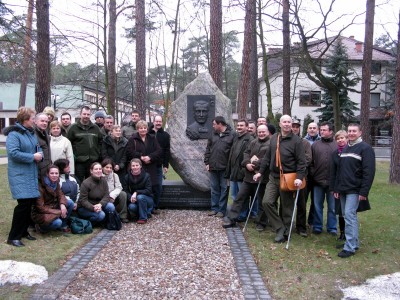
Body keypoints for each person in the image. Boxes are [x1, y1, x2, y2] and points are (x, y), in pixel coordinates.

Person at [254, 115, 306, 243]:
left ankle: (286, 231)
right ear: (280, 124)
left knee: (287, 207)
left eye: (289, 122)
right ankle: (279, 227)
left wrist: (299, 177)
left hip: (288, 177)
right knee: (266, 202)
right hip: (273, 177)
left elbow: (302, 162)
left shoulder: (296, 141)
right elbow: (267, 157)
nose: (287, 124)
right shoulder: (274, 138)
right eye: (285, 122)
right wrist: (260, 172)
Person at [330, 123, 375, 258]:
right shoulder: (345, 148)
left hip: (355, 189)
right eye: (349, 131)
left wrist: (364, 192)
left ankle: (349, 247)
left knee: (349, 216)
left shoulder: (365, 149)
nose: (351, 133)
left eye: (354, 131)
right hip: (343, 188)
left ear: (360, 132)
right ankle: (353, 242)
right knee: (347, 215)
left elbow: (369, 172)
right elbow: (340, 171)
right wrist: (336, 188)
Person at [4, 107, 42, 247]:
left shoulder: (31, 133)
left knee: (29, 203)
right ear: (25, 119)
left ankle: (24, 231)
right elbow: (13, 153)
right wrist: (32, 157)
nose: (34, 120)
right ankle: (13, 236)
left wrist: (39, 155)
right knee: (23, 205)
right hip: (20, 175)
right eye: (33, 118)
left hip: (30, 173)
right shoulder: (14, 135)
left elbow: (38, 148)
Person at [223, 125, 270, 229]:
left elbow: (268, 159)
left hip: (262, 178)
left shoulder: (271, 144)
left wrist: (256, 166)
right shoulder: (253, 142)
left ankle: (261, 223)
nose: (261, 134)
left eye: (263, 132)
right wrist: (246, 163)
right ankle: (232, 218)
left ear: (267, 132)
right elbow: (246, 153)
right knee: (239, 198)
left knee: (261, 201)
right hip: (248, 177)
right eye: (259, 132)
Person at [126, 120, 162, 213]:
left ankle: (152, 207)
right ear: (137, 129)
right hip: (138, 168)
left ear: (147, 128)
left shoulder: (152, 138)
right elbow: (129, 152)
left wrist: (150, 157)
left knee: (153, 187)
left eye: (145, 128)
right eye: (141, 128)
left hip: (150, 166)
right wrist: (140, 156)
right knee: (141, 187)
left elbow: (159, 151)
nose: (143, 130)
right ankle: (140, 208)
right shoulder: (132, 139)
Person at [204, 116, 236, 217]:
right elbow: (208, 149)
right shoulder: (213, 134)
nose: (213, 126)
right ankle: (214, 208)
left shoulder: (232, 135)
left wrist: (230, 167)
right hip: (213, 167)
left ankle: (222, 211)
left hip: (225, 169)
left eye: (214, 124)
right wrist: (207, 162)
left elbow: (233, 152)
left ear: (220, 124)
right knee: (214, 189)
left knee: (224, 189)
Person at [310, 122, 337, 235]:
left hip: (333, 182)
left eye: (324, 130)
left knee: (332, 207)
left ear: (330, 131)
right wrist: (313, 174)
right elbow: (310, 162)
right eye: (321, 130)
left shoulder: (336, 145)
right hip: (318, 181)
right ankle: (317, 226)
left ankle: (332, 228)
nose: (322, 132)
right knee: (317, 205)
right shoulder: (315, 145)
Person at [32, 165, 74, 233]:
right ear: (47, 174)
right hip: (41, 212)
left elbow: (61, 194)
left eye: (56, 173)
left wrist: (62, 204)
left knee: (70, 203)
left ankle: (63, 226)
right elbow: (40, 208)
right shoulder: (41, 187)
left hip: (53, 206)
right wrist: (59, 212)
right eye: (52, 173)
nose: (54, 175)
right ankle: (41, 228)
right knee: (57, 222)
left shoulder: (56, 183)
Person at [67, 106, 103, 183]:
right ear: (80, 114)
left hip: (93, 161)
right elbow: (68, 144)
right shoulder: (73, 128)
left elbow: (100, 142)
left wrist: (98, 152)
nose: (86, 116)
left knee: (92, 183)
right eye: (84, 114)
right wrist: (74, 156)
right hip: (79, 162)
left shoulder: (95, 128)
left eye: (88, 114)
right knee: (79, 182)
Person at [291, 118, 312, 237]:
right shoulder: (284, 141)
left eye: (296, 127)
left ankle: (301, 227)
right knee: (286, 202)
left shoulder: (305, 143)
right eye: (293, 126)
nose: (294, 128)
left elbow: (308, 159)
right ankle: (286, 224)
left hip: (301, 175)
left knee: (301, 203)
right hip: (287, 176)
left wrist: (296, 164)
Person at [226, 119, 253, 204]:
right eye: (238, 125)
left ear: (247, 127)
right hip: (234, 173)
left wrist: (243, 170)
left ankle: (242, 216)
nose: (239, 127)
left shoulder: (250, 140)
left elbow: (249, 156)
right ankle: (236, 214)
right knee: (234, 196)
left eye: (241, 125)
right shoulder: (236, 138)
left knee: (242, 196)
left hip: (242, 173)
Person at [149, 115, 171, 213]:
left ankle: (154, 206)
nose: (158, 123)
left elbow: (167, 151)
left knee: (158, 186)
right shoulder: (148, 133)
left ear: (162, 123)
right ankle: (148, 207)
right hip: (148, 165)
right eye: (156, 121)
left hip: (158, 165)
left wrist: (165, 165)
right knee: (148, 186)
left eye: (160, 121)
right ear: (153, 122)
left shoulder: (165, 135)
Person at [123, 158, 154, 224]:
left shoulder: (146, 176)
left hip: (147, 199)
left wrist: (136, 192)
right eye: (133, 166)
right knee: (131, 207)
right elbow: (125, 190)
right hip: (135, 199)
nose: (135, 167)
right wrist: (130, 197)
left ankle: (143, 218)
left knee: (140, 197)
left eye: (137, 165)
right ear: (130, 167)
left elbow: (148, 190)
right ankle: (146, 212)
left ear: (140, 166)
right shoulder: (127, 177)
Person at [330, 130, 348, 242]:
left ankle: (349, 233)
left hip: (349, 185)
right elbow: (333, 172)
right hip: (338, 186)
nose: (340, 140)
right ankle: (342, 233)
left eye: (342, 138)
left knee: (349, 212)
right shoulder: (335, 153)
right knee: (340, 211)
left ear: (346, 139)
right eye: (338, 138)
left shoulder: (351, 151)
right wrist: (334, 188)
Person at [102, 158, 129, 223]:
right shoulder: (99, 176)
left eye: (110, 168)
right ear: (102, 167)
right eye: (107, 167)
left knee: (123, 194)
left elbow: (119, 187)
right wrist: (107, 197)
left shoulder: (115, 175)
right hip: (103, 199)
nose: (109, 169)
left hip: (113, 198)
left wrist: (112, 195)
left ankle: (123, 216)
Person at [34, 112, 52, 179]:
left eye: (46, 122)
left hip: (46, 169)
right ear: (35, 121)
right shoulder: (32, 135)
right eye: (42, 121)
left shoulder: (46, 135)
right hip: (37, 171)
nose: (44, 123)